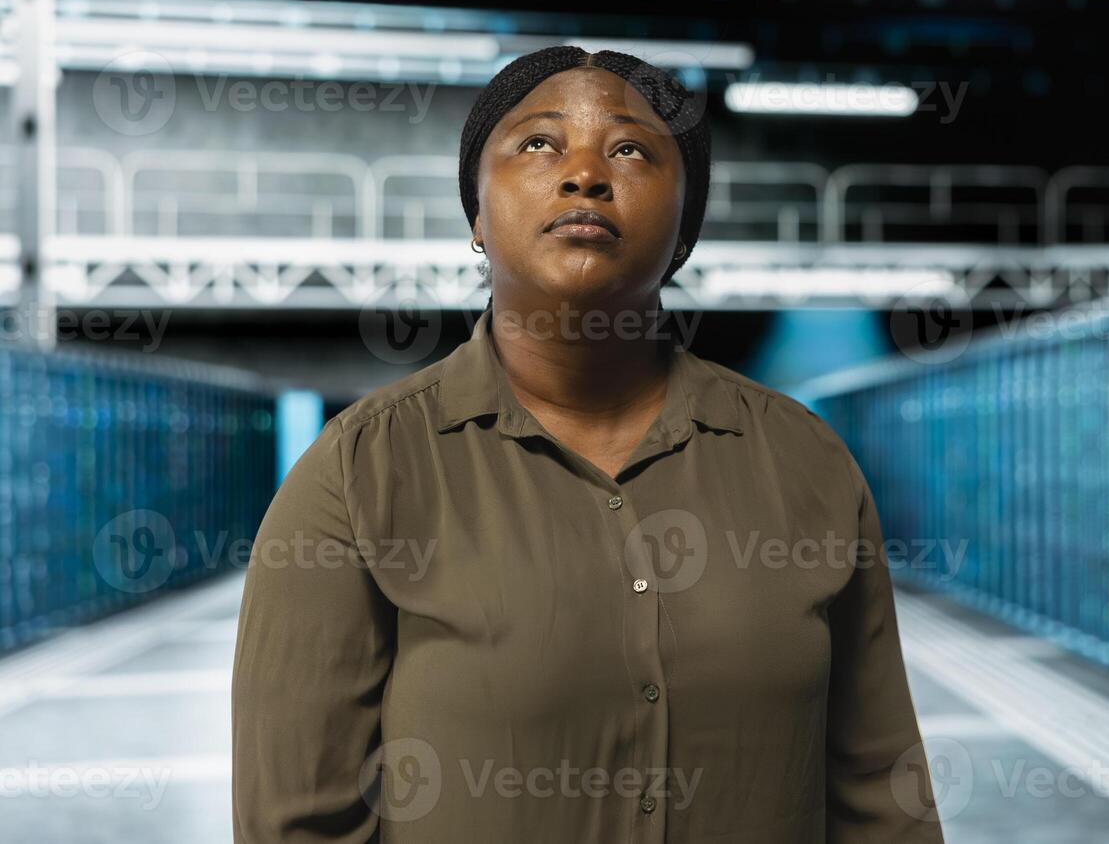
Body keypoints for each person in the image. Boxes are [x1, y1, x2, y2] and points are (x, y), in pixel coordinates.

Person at [231, 45, 945, 842]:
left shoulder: (807, 465)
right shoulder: (358, 475)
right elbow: (298, 824)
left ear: (685, 229)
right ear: (476, 211)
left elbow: (883, 797)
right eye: (538, 143)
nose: (584, 174)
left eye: (632, 149)